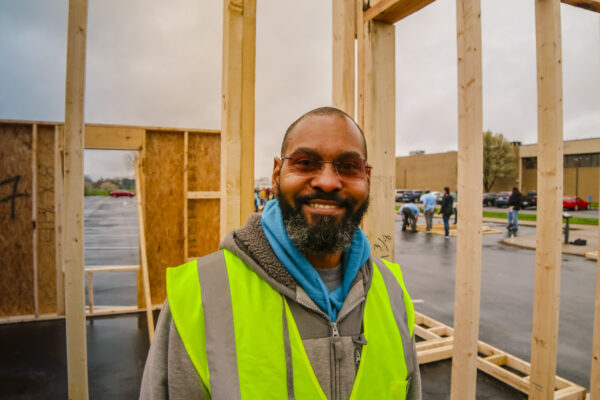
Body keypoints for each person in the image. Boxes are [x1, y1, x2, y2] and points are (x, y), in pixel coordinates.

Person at [140, 107, 422, 399]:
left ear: (367, 179)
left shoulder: (392, 292)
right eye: (305, 162)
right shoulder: (199, 296)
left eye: (348, 166)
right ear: (277, 175)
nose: (327, 181)